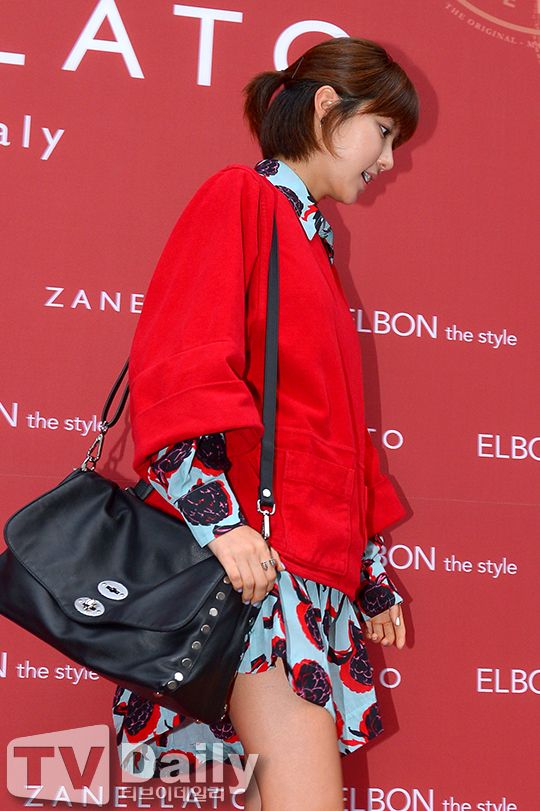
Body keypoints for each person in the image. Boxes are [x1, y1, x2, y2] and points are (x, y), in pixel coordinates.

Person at [113, 36, 419, 811]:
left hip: (304, 570)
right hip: (258, 572)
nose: (388, 160)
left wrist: (368, 574)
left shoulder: (313, 241)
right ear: (328, 108)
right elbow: (182, 362)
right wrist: (220, 524)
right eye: (384, 132)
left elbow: (330, 431)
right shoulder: (241, 199)